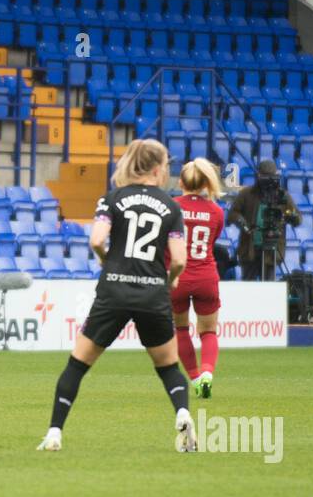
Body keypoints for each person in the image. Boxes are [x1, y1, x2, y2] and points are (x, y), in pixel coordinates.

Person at [37, 139, 195, 453]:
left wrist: (106, 261)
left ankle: (54, 433)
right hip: (153, 292)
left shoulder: (112, 198)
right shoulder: (172, 207)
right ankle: (182, 412)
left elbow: (97, 240)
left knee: (77, 365)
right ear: (156, 168)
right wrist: (171, 281)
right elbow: (179, 260)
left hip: (114, 290)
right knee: (167, 367)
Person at [173, 158, 226, 398]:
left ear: (180, 181)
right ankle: (207, 373)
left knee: (180, 329)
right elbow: (212, 241)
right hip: (205, 275)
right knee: (208, 332)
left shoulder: (171, 206)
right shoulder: (216, 211)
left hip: (178, 276)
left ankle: (194, 378)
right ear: (206, 182)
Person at [226, 159, 301, 281]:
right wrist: (243, 224)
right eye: (265, 177)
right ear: (258, 176)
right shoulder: (246, 194)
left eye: (271, 177)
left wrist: (291, 216)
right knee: (247, 286)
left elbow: (298, 219)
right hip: (249, 249)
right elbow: (232, 214)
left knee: (268, 288)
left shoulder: (282, 196)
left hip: (271, 251)